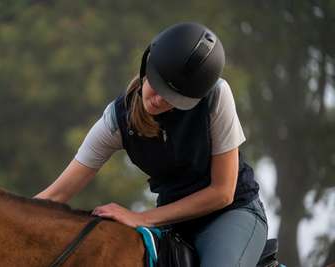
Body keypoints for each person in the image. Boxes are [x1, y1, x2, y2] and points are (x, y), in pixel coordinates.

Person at [35, 22, 268, 266]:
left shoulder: (217, 96)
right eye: (157, 87)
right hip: (173, 222)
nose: (159, 101)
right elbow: (57, 193)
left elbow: (222, 193)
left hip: (231, 214)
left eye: (172, 99)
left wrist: (141, 217)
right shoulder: (115, 121)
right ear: (147, 70)